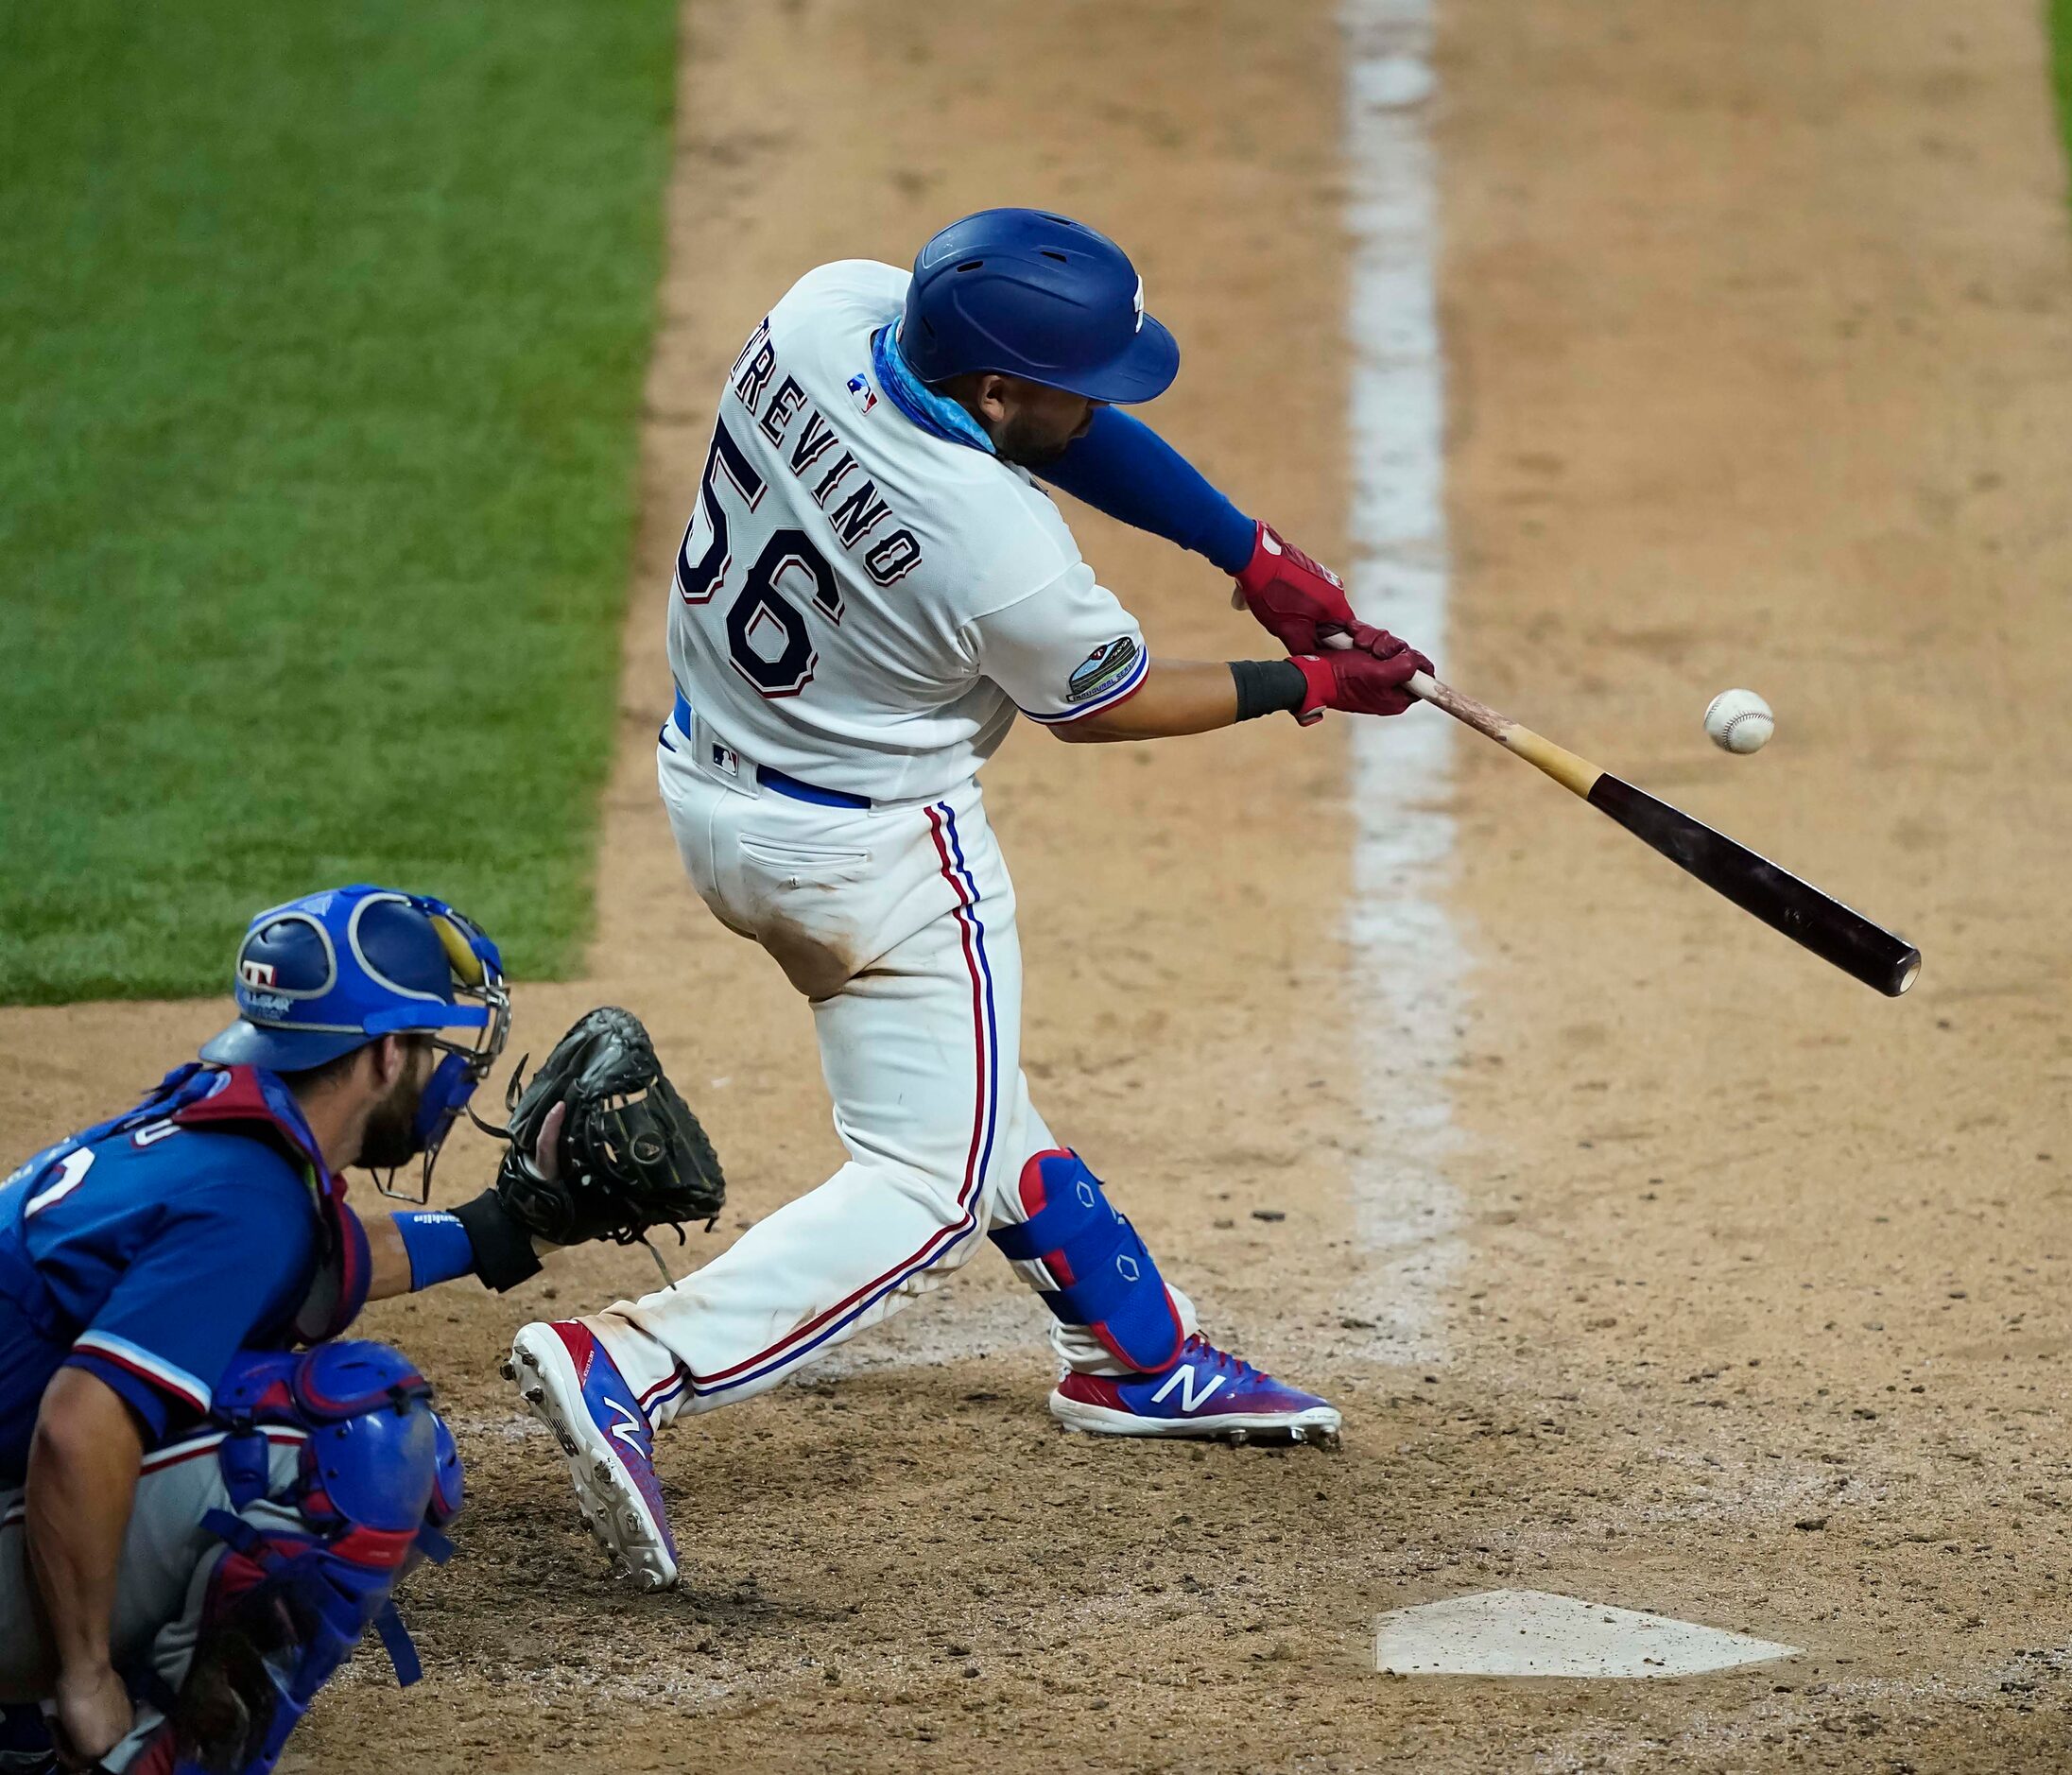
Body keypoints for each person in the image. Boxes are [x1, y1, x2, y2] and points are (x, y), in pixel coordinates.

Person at [506, 207, 1430, 1591]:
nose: (1098, 403)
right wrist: (1306, 683)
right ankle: (633, 1361)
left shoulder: (830, 312)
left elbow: (1048, 422)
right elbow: (1103, 706)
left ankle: (1133, 1347)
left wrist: (1248, 550)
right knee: (926, 1181)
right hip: (867, 860)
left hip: (715, 789)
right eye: (1076, 384)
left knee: (962, 1089)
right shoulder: (993, 545)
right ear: (996, 388)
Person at [0, 886, 602, 1773]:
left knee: (282, 1395)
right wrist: (86, 1682)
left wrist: (512, 1226)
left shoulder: (209, 1134)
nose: (445, 1075)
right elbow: (76, 1426)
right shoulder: (250, 1201)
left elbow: (321, 1263)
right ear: (387, 1055)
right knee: (354, 1439)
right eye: (435, 1049)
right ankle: (132, 1746)